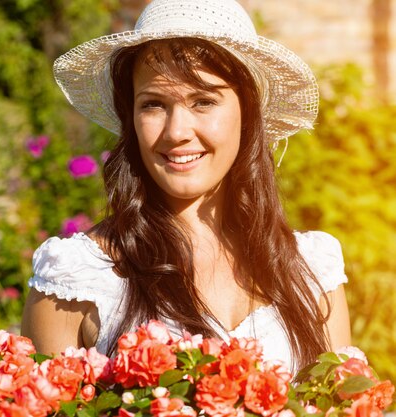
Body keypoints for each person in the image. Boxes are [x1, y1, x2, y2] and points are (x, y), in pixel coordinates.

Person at [21, 0, 351, 373]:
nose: (177, 132)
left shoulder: (310, 271)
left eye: (204, 101)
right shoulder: (79, 277)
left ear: (247, 113)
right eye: (153, 105)